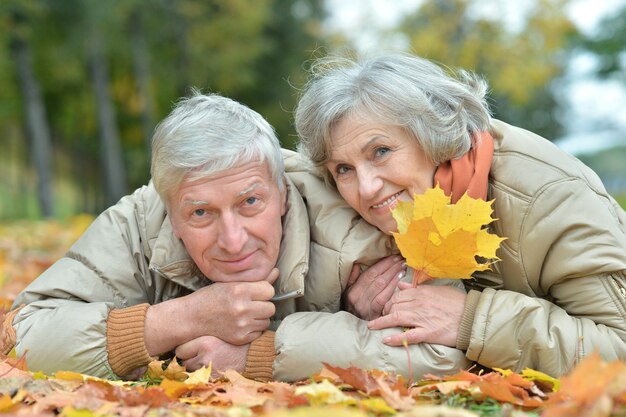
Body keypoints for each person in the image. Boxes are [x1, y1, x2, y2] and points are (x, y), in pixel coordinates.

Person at [2, 91, 470, 381]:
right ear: (170, 211)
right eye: (201, 212)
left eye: (251, 203)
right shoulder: (140, 220)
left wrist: (256, 355)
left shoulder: (350, 218)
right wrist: (178, 319)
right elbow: (18, 337)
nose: (233, 239)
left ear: (282, 191)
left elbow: (440, 351)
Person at [294, 52, 626, 377]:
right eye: (343, 169)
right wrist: (359, 310)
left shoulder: (549, 196)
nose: (366, 188)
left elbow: (620, 348)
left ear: (432, 134)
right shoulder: (400, 205)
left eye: (380, 152)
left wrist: (471, 321)